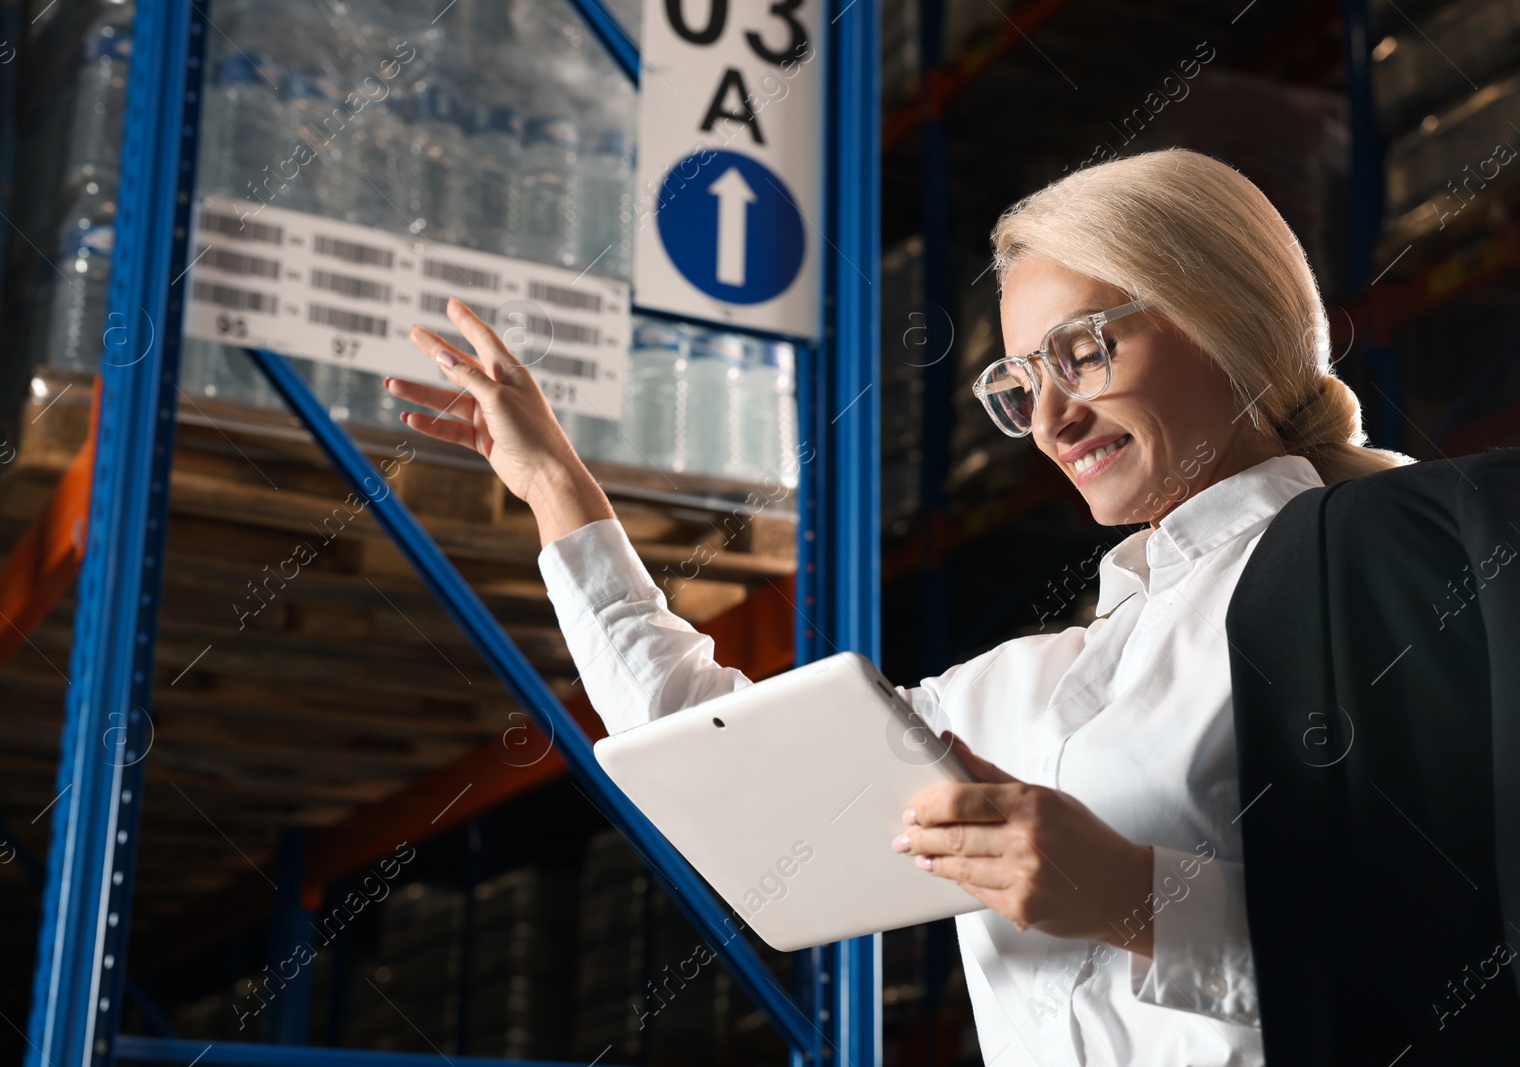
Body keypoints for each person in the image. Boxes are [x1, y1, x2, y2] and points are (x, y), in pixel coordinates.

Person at [382, 147, 1415, 1065]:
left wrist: (1138, 900)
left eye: (1084, 351)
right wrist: (558, 490)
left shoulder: (1383, 581)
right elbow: (724, 757)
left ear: (1227, 318)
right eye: (1020, 379)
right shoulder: (1019, 692)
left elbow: (1460, 941)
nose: (1049, 417)